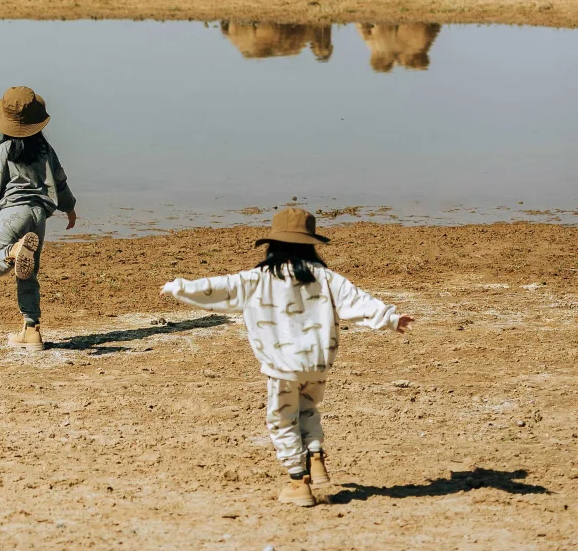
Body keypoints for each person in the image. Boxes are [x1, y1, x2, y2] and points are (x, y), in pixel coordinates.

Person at [161, 206, 413, 507]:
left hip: (283, 366)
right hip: (317, 364)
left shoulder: (259, 278)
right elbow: (356, 301)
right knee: (307, 407)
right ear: (310, 245)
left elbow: (219, 288)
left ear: (273, 245)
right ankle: (316, 457)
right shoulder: (325, 277)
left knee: (282, 419)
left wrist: (179, 287)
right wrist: (390, 319)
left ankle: (298, 482)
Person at [0, 85, 77, 351]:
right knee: (28, 275)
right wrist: (69, 208)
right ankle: (31, 330)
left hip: (13, 213)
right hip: (38, 216)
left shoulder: (4, 150)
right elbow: (59, 180)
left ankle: (12, 251)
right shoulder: (45, 150)